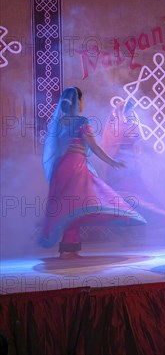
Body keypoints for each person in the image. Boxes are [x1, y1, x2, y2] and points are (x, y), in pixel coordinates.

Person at [40, 87, 146, 259]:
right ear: (77, 101)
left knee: (69, 207)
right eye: (81, 100)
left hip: (61, 169)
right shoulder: (82, 121)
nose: (82, 103)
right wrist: (112, 162)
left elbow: (54, 149)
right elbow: (94, 147)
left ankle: (69, 248)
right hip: (76, 167)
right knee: (89, 200)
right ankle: (69, 248)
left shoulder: (58, 123)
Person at [101, 99, 165, 222]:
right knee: (129, 196)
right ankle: (152, 221)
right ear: (122, 111)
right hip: (120, 168)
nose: (130, 114)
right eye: (128, 111)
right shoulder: (119, 127)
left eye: (131, 111)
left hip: (127, 167)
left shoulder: (122, 126)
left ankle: (152, 221)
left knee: (135, 196)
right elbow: (134, 142)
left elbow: (138, 144)